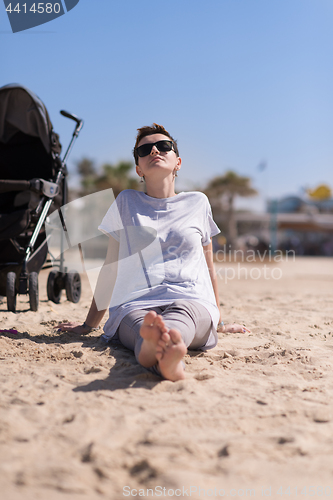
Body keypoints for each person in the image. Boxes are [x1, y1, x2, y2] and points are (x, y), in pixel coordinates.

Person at [58, 124, 249, 381]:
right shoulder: (126, 202)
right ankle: (165, 357)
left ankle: (159, 347)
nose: (155, 150)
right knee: (141, 326)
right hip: (136, 303)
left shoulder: (198, 202)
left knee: (181, 318)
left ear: (178, 162)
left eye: (164, 146)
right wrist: (88, 324)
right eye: (145, 149)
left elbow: (208, 268)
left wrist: (220, 321)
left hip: (191, 300)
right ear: (139, 168)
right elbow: (111, 266)